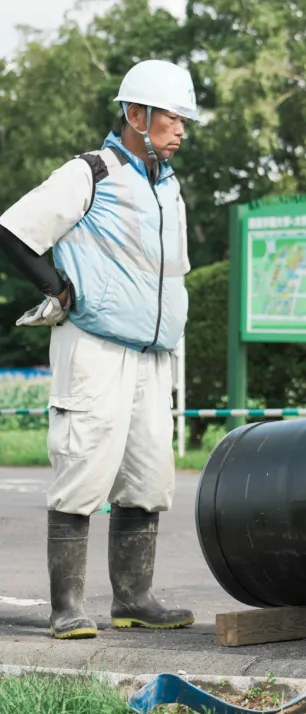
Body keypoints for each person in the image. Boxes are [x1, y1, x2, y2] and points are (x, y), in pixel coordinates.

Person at [0, 59, 201, 639]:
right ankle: (67, 607)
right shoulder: (93, 171)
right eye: (171, 115)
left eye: (185, 118)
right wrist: (57, 288)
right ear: (135, 114)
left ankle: (134, 598)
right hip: (94, 348)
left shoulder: (168, 186)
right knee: (82, 468)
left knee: (148, 476)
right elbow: (14, 229)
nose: (181, 128)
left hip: (153, 355)